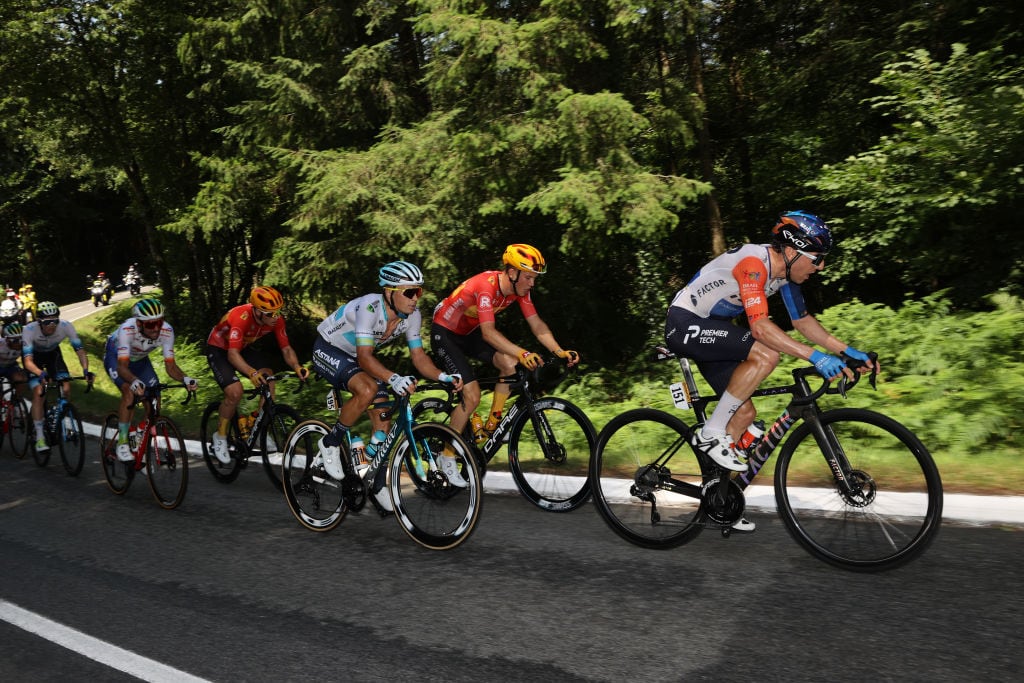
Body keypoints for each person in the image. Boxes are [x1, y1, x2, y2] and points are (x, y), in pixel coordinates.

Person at [664, 210, 876, 531]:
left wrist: (847, 352)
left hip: (714, 331)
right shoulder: (754, 264)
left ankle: (719, 500)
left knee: (744, 414)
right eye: (816, 259)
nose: (820, 267)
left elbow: (802, 322)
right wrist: (816, 358)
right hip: (684, 324)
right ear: (792, 251)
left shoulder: (784, 276)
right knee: (766, 355)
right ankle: (710, 434)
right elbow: (761, 328)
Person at [311, 261, 464, 505]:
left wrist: (443, 376)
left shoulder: (411, 316)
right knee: (369, 389)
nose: (416, 298)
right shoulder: (369, 308)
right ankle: (330, 442)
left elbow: (419, 356)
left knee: (384, 415)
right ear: (390, 292)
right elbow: (364, 356)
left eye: (419, 291)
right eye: (410, 292)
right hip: (329, 349)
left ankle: (375, 478)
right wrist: (393, 378)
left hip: (357, 357)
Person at [430, 243, 579, 445]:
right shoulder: (486, 287)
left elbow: (537, 325)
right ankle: (447, 456)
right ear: (511, 273)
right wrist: (523, 353)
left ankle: (492, 426)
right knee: (472, 396)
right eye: (528, 277)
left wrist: (559, 351)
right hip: (445, 334)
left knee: (508, 364)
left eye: (534, 278)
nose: (532, 284)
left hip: (469, 333)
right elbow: (489, 333)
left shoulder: (520, 291)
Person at [205, 285, 309, 464]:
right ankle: (220, 437)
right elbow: (232, 355)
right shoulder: (241, 317)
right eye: (270, 314)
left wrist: (297, 366)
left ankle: (257, 425)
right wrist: (251, 372)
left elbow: (286, 348)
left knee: (269, 379)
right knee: (234, 392)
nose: (275, 317)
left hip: (242, 347)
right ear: (258, 312)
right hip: (220, 349)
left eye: (278, 312)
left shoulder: (275, 319)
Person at [103, 299, 198, 462]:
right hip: (116, 358)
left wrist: (185, 378)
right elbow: (122, 368)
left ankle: (140, 432)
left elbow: (171, 367)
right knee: (129, 392)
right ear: (139, 324)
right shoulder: (127, 330)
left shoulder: (167, 331)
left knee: (155, 400)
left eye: (159, 322)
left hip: (140, 361)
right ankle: (123, 442)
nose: (155, 328)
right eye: (150, 324)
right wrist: (133, 381)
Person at [21, 301, 94, 452]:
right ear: (39, 321)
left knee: (66, 387)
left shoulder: (66, 326)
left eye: (55, 320)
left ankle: (60, 415)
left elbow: (80, 350)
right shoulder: (29, 330)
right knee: (39, 391)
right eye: (48, 321)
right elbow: (28, 362)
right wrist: (41, 373)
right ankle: (40, 438)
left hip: (53, 354)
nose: (52, 325)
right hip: (34, 358)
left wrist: (86, 370)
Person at [0, 321, 29, 402]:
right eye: (15, 340)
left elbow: (26, 361)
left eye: (21, 340)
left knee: (22, 379)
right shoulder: (1, 345)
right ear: (7, 339)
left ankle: (16, 400)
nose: (19, 343)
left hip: (11, 366)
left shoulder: (25, 345)